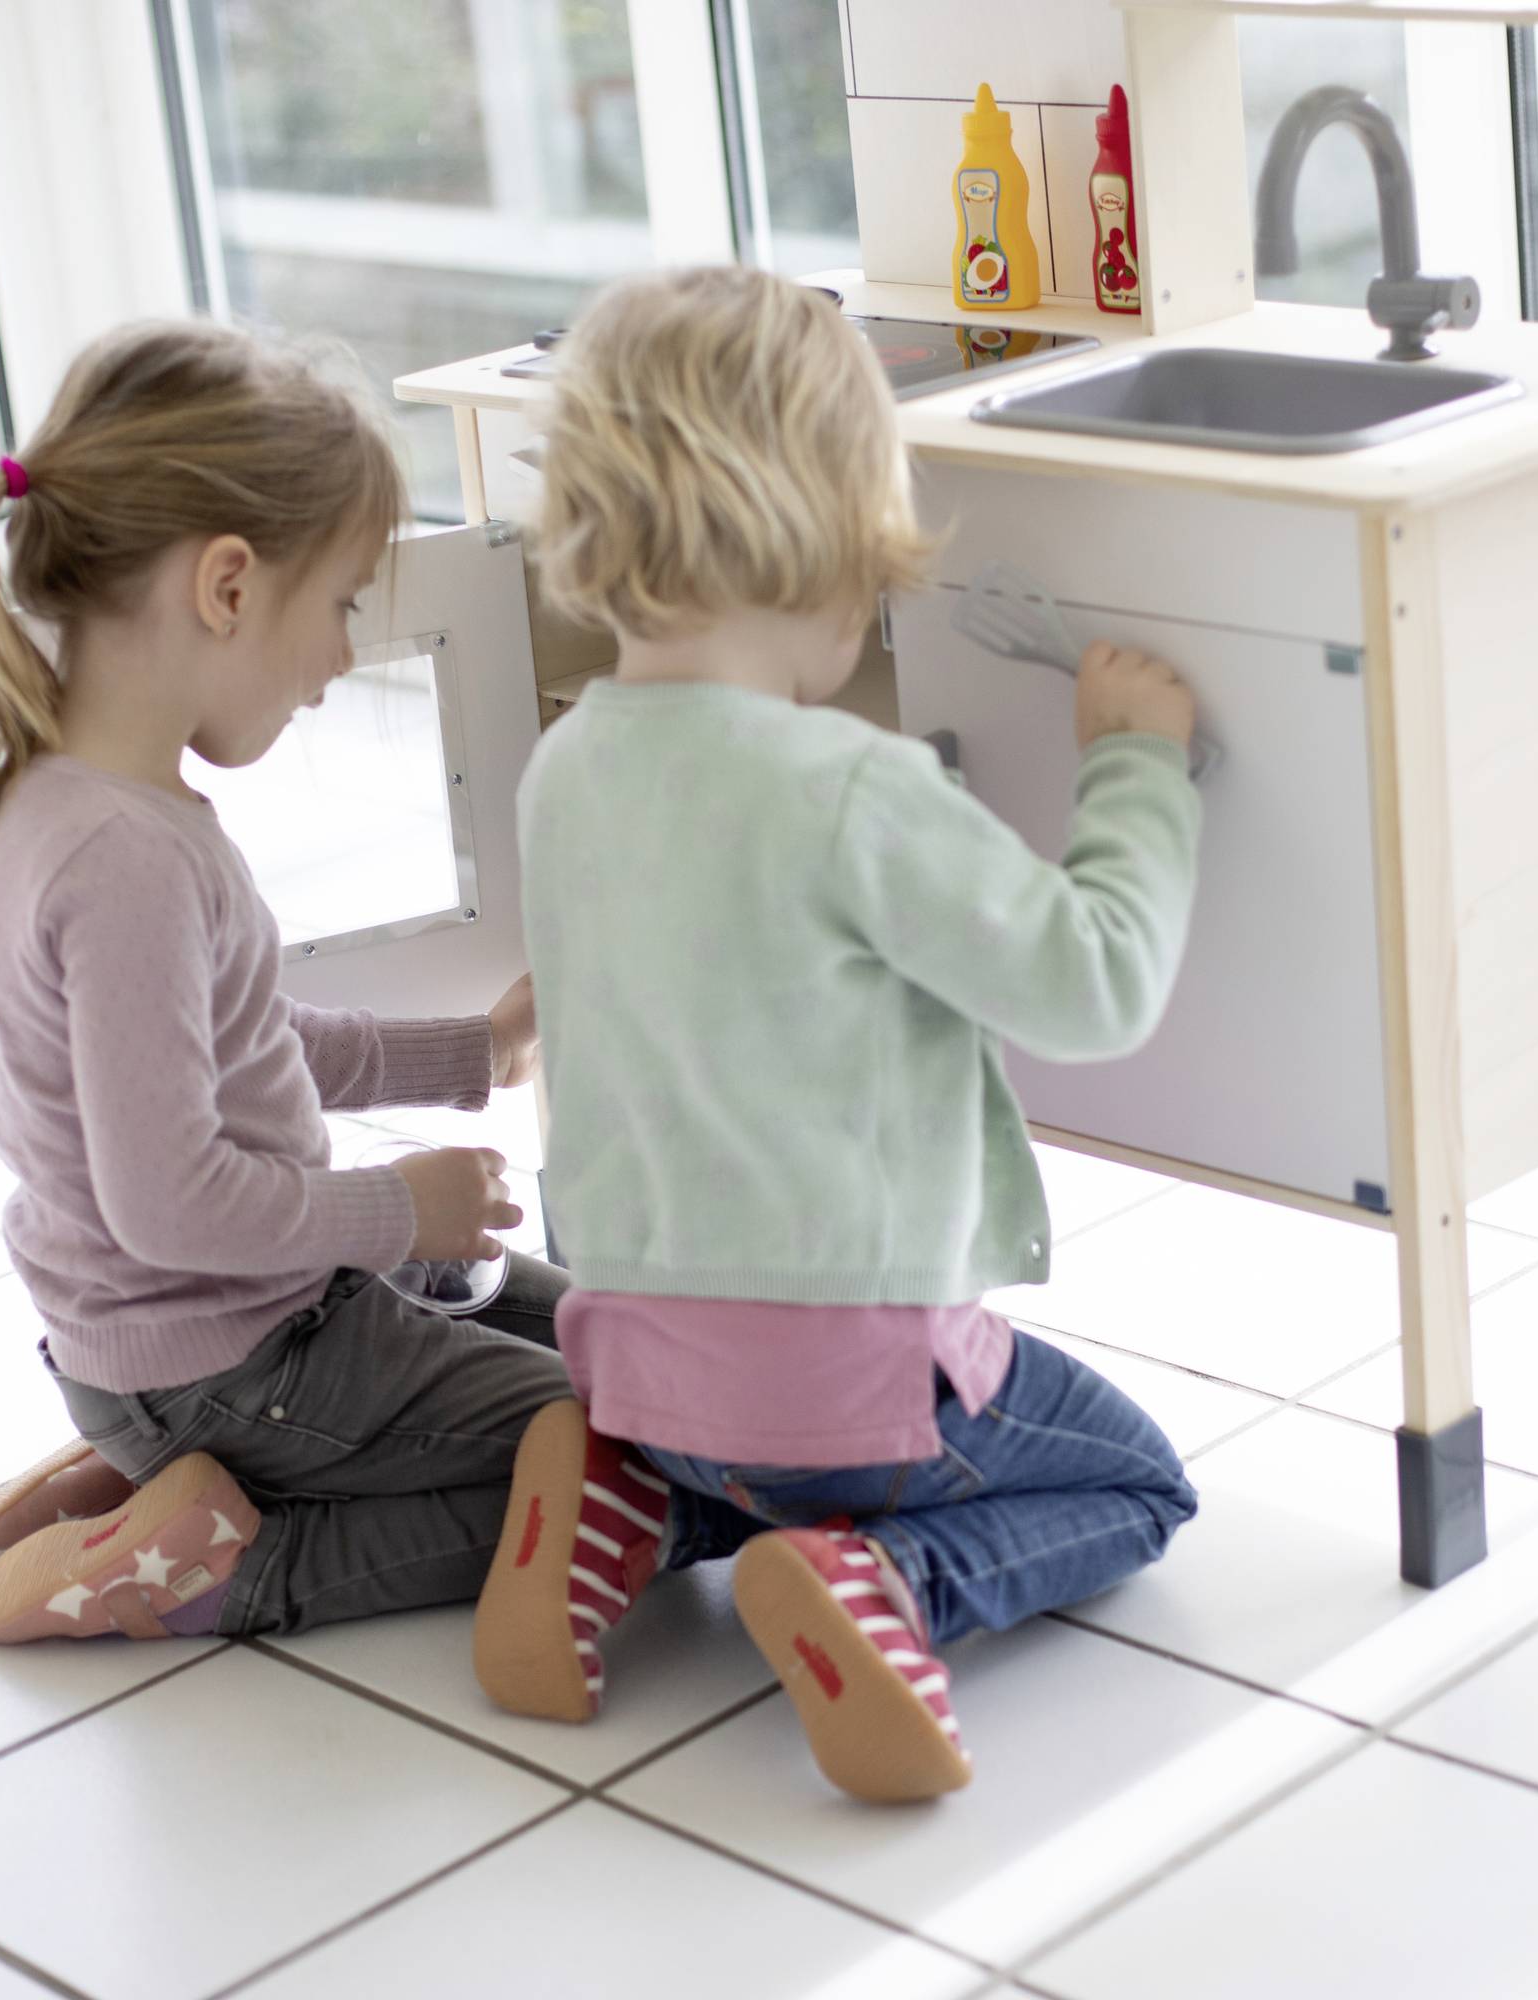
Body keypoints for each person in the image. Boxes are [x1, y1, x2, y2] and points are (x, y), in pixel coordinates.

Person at [471, 268, 1204, 1800]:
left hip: (640, 1380)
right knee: (1140, 1482)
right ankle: (894, 1591)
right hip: (851, 1397)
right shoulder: (850, 789)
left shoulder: (568, 772)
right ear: (822, 533)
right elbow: (1096, 984)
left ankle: (629, 1523)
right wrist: (1138, 768)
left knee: (744, 1459)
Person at [0, 319, 572, 1644]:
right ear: (225, 588)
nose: (338, 660)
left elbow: (243, 1047)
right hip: (228, 1362)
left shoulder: (90, 805)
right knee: (615, 1445)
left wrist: (470, 1057)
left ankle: (152, 1483)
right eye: (336, 606)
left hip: (209, 1342)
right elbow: (169, 1204)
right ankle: (214, 1562)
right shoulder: (125, 860)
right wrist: (397, 1209)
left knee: (617, 1332)